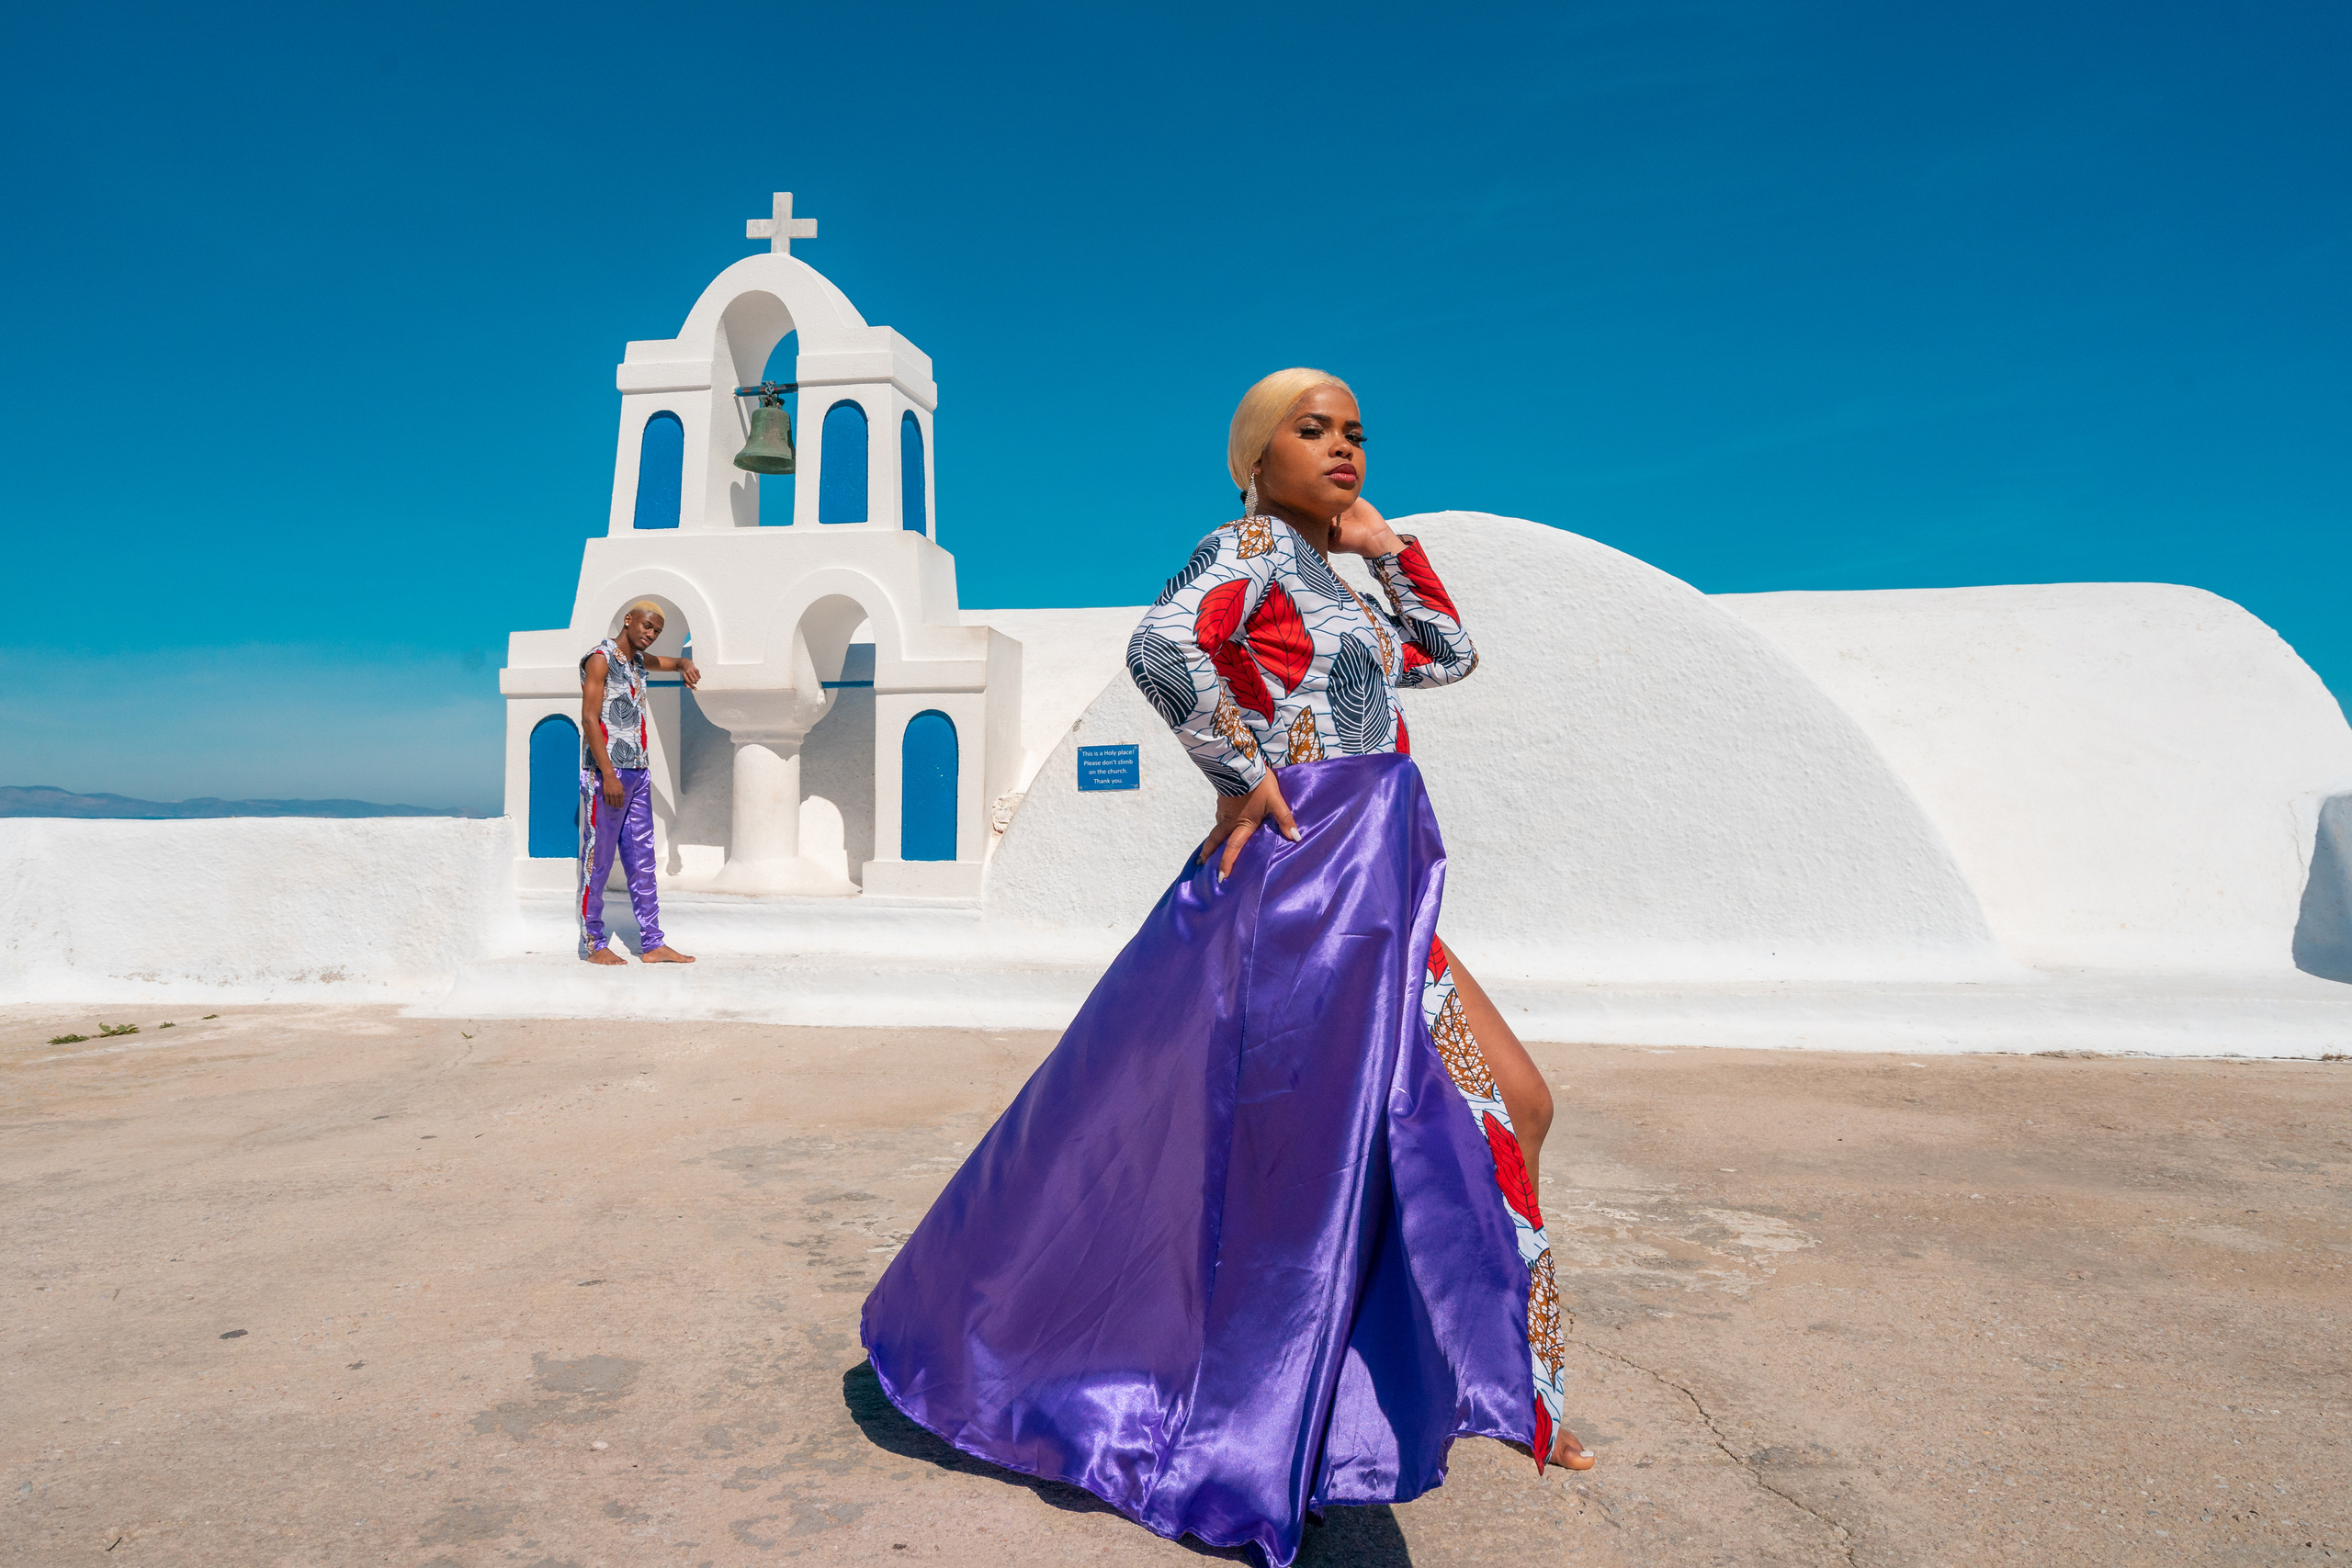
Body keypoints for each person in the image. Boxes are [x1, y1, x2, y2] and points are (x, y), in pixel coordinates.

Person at [861, 371, 1589, 1567]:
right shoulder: (1244, 546)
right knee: (1320, 1167)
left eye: (1357, 430)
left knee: (1509, 1101)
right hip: (1314, 887)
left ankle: (1499, 1388)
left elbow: (1448, 656)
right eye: (1315, 430)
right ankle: (1285, 1419)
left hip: (1381, 882)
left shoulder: (1334, 578)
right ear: (1257, 454)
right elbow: (1160, 649)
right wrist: (1237, 772)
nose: (1345, 446)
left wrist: (1386, 547)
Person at [578, 601, 697, 966]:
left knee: (642, 860)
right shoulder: (600, 658)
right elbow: (589, 718)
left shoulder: (638, 663)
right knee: (597, 860)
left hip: (638, 772)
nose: (650, 634)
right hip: (606, 774)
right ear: (628, 621)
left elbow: (669, 662)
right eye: (647, 626)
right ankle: (594, 944)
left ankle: (653, 943)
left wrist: (684, 663)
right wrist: (609, 775)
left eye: (657, 631)